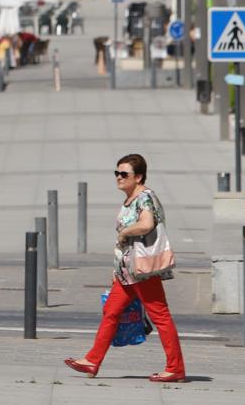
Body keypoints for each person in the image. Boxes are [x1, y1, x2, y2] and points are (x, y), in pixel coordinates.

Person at [64, 153, 186, 382]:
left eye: (124, 174)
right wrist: (116, 269)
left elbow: (147, 224)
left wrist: (124, 232)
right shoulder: (131, 198)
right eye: (116, 173)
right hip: (127, 271)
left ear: (138, 177)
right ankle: (92, 360)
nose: (119, 177)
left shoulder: (145, 197)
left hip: (142, 270)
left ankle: (175, 367)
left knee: (160, 315)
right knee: (111, 311)